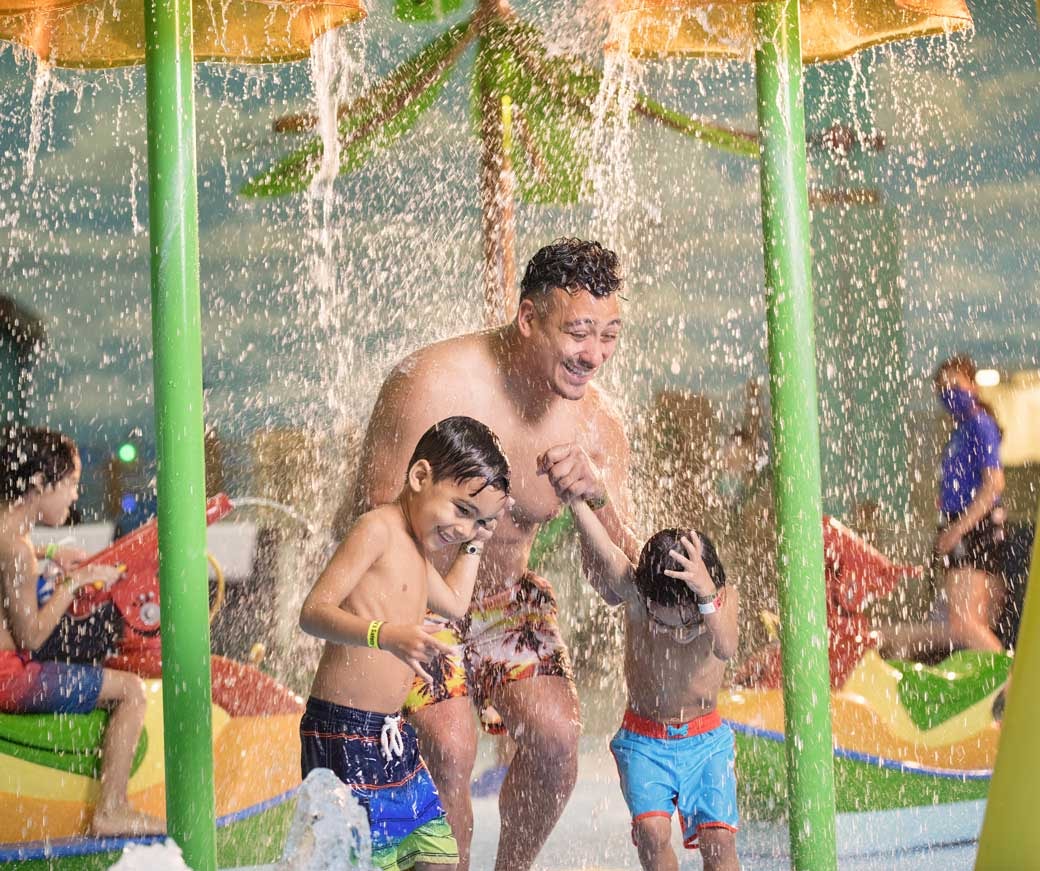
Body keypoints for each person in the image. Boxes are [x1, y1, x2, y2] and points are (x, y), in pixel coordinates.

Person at [348, 238, 637, 871]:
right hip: (413, 599)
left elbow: (620, 584)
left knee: (560, 740)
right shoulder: (429, 385)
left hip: (505, 600)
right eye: (579, 332)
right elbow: (370, 528)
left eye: (610, 334)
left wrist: (597, 496)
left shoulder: (594, 429)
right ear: (529, 319)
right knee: (451, 746)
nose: (594, 356)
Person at [299, 416, 512, 871]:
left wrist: (477, 543)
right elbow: (314, 612)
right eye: (460, 509)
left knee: (435, 853)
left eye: (477, 519)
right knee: (359, 858)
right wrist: (384, 634)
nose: (462, 527)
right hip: (343, 730)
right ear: (420, 477)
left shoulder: (418, 547)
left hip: (391, 733)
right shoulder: (377, 529)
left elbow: (454, 602)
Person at [0, 427, 164, 836]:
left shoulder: (11, 536)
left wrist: (53, 554)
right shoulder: (17, 551)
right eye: (71, 482)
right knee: (130, 689)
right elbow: (32, 638)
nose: (76, 494)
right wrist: (74, 583)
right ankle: (112, 809)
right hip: (9, 680)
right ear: (39, 484)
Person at [567, 498, 740, 871]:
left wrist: (707, 598)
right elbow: (607, 553)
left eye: (688, 625)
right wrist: (575, 503)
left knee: (720, 840)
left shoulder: (721, 601)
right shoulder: (638, 599)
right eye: (664, 624)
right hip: (645, 740)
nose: (677, 634)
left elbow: (726, 646)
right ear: (647, 599)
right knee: (651, 832)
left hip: (706, 741)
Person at [880, 354, 1007, 659]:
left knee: (965, 625)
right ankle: (992, 686)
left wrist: (958, 529)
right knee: (962, 624)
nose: (948, 392)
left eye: (955, 383)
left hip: (974, 528)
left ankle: (1010, 687)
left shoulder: (981, 425)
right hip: (962, 527)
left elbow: (995, 485)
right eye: (942, 387)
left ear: (972, 385)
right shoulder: (961, 431)